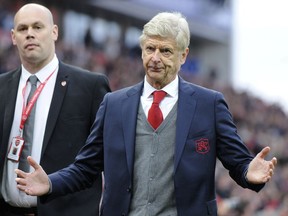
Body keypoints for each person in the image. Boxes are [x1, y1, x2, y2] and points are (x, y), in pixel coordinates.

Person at [15, 12, 277, 216]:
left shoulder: (210, 104)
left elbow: (239, 163)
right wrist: (50, 183)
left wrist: (249, 174)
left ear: (183, 55)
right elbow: (86, 168)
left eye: (165, 51)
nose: (155, 58)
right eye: (150, 49)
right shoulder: (113, 104)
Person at [0, 3, 111, 216]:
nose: (30, 34)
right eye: (23, 29)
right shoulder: (2, 86)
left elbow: (104, 157)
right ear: (13, 37)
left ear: (54, 32)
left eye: (38, 27)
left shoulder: (90, 86)